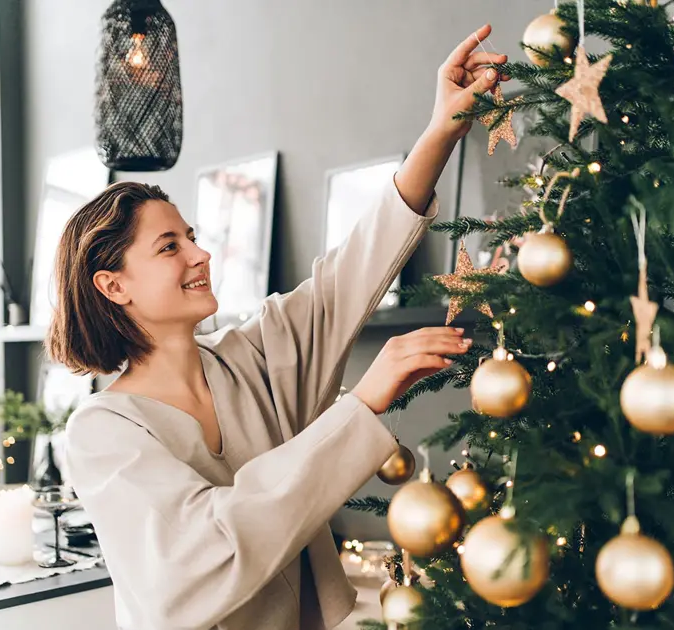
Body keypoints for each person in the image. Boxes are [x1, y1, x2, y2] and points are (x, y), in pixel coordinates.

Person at [48, 24, 508, 630]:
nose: (199, 254)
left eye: (192, 236)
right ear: (114, 285)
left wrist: (441, 129)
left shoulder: (251, 357)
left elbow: (349, 275)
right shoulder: (101, 434)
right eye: (168, 246)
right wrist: (365, 403)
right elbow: (205, 555)